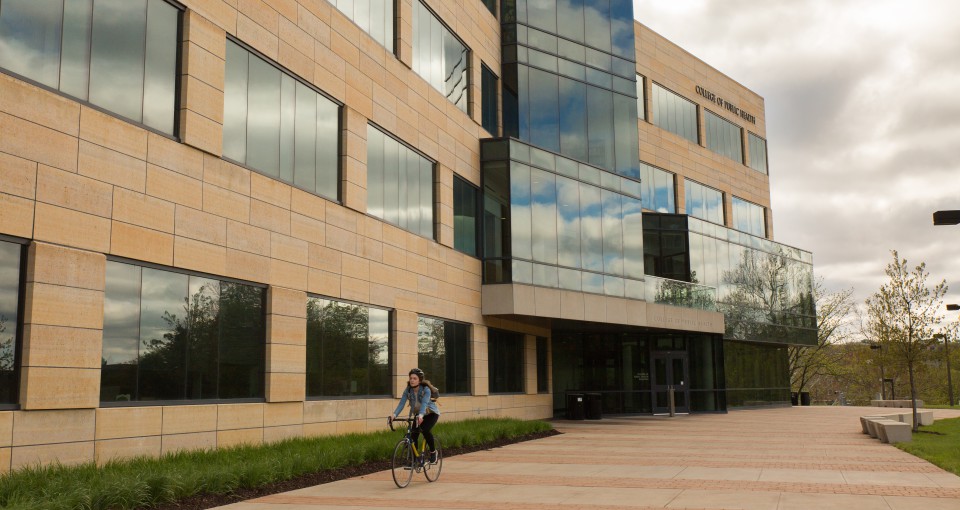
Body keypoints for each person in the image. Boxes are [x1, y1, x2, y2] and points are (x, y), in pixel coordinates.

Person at [389, 368, 440, 463]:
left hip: (431, 414)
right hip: (418, 414)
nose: (412, 380)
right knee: (413, 436)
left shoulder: (426, 390)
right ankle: (416, 459)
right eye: (411, 378)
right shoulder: (408, 390)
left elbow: (424, 403)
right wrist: (394, 415)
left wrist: (421, 415)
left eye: (414, 378)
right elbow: (401, 403)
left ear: (420, 380)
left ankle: (433, 452)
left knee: (425, 429)